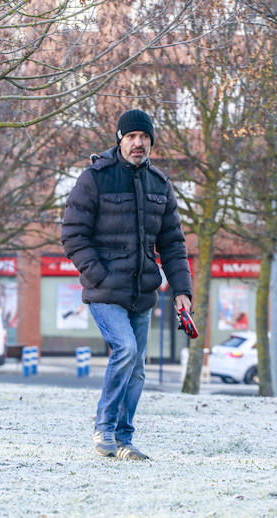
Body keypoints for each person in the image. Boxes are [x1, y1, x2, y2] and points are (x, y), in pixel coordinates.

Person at [60, 108, 193, 461]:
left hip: (142, 293)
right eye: (132, 136)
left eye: (145, 137)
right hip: (105, 290)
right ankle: (103, 429)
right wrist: (98, 275)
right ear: (120, 139)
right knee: (126, 351)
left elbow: (173, 244)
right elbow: (73, 235)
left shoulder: (160, 185)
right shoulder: (94, 178)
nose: (138, 143)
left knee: (137, 370)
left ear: (151, 142)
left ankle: (123, 439)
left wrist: (182, 291)